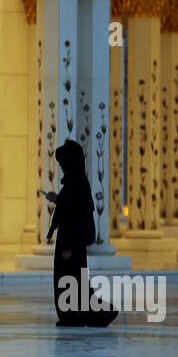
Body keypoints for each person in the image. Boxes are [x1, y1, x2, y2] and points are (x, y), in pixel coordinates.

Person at [43, 138, 117, 329]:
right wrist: (58, 199)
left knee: (70, 280)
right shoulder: (75, 182)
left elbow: (75, 218)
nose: (60, 167)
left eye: (62, 163)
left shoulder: (77, 184)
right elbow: (70, 207)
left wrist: (68, 246)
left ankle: (79, 316)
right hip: (70, 244)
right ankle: (73, 316)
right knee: (73, 280)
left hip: (71, 245)